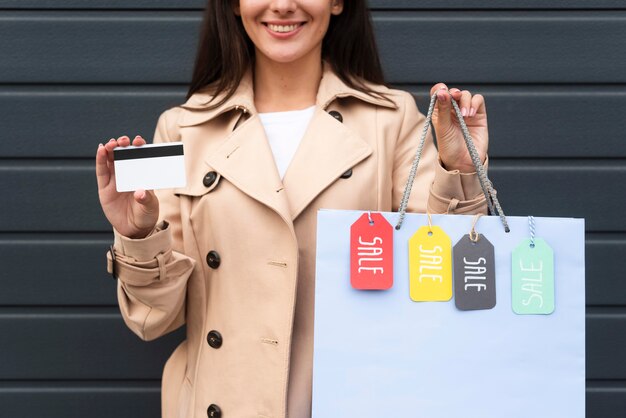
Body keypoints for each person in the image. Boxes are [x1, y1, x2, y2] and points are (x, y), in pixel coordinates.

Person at [95, 1, 489, 417]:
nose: (282, 6)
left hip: (345, 399)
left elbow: (440, 279)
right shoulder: (182, 127)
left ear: (338, 3)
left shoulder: (392, 120)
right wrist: (137, 235)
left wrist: (460, 172)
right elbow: (155, 318)